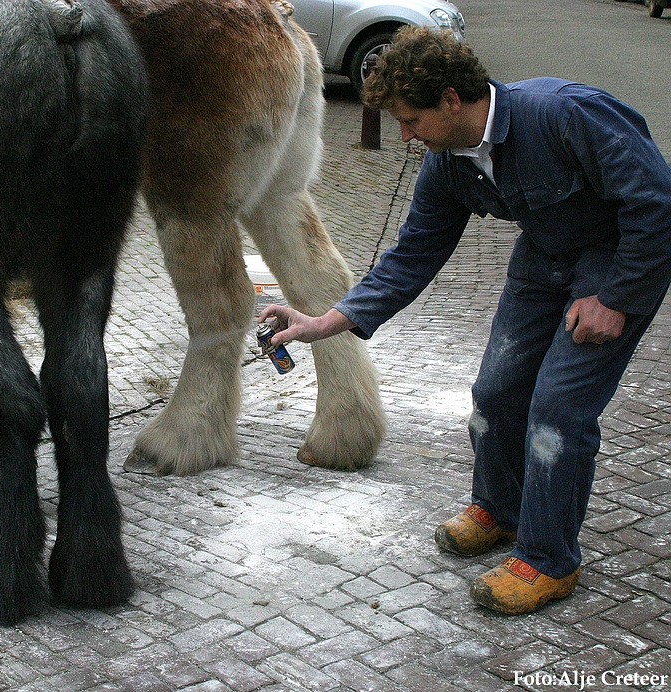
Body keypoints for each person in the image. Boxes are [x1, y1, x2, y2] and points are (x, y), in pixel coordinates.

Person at [258, 26, 671, 615]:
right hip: (543, 261)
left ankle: (549, 560)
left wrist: (618, 297)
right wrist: (325, 322)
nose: (406, 136)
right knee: (496, 393)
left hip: (617, 263)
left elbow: (657, 203)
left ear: (452, 99)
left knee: (556, 411)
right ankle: (500, 511)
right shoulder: (447, 161)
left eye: (411, 120)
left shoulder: (565, 115)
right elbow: (412, 255)